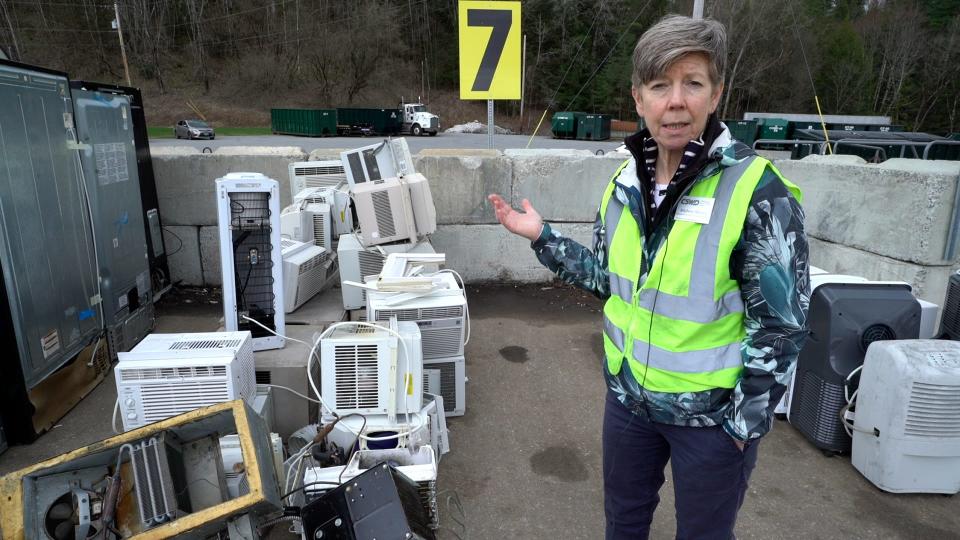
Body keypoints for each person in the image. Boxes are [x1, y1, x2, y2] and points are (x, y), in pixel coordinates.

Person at [488, 14, 810, 540]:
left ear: (715, 94)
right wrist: (541, 235)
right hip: (629, 403)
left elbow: (783, 324)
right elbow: (607, 279)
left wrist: (743, 426)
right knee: (624, 522)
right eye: (660, 85)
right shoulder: (623, 183)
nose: (675, 101)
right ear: (639, 98)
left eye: (693, 83)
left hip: (711, 422)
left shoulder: (757, 191)